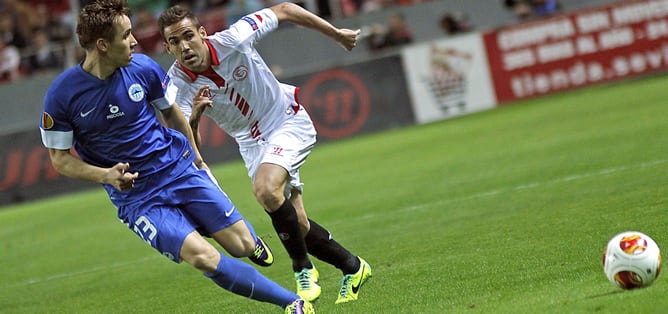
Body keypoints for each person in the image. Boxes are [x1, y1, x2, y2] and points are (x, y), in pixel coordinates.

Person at [38, 1, 313, 313]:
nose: (135, 41)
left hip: (178, 170)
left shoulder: (143, 69)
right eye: (126, 35)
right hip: (139, 198)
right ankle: (292, 304)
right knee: (203, 258)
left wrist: (197, 159)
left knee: (243, 246)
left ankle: (232, 233)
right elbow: (59, 158)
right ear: (102, 45)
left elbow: (173, 115)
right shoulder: (61, 96)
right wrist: (105, 176)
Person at [157, 2, 372, 304]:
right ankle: (353, 267)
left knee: (265, 190)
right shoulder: (175, 87)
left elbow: (284, 9)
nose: (184, 46)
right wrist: (193, 118)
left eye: (188, 35)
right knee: (297, 225)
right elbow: (191, 148)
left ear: (203, 33)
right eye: (174, 42)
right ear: (167, 48)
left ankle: (302, 269)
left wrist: (336, 34)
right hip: (251, 143)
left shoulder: (234, 38)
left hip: (285, 119)